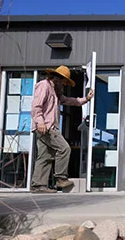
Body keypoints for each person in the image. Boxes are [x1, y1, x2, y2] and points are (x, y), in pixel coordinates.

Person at [30, 65, 93, 193]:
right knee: (64, 148)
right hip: (46, 127)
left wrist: (85, 99)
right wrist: (40, 122)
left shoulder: (56, 92)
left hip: (45, 127)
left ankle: (38, 185)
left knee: (45, 156)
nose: (64, 84)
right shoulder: (44, 86)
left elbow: (69, 101)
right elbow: (36, 106)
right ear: (57, 78)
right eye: (64, 81)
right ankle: (60, 178)